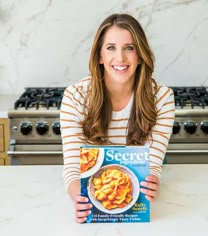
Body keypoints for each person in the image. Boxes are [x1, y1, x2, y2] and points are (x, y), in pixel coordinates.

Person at [60, 13, 175, 223]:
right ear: (99, 57)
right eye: (111, 47)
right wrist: (81, 199)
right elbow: (73, 169)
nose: (120, 58)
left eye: (129, 48)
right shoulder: (75, 97)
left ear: (140, 55)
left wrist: (152, 183)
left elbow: (153, 166)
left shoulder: (162, 98)